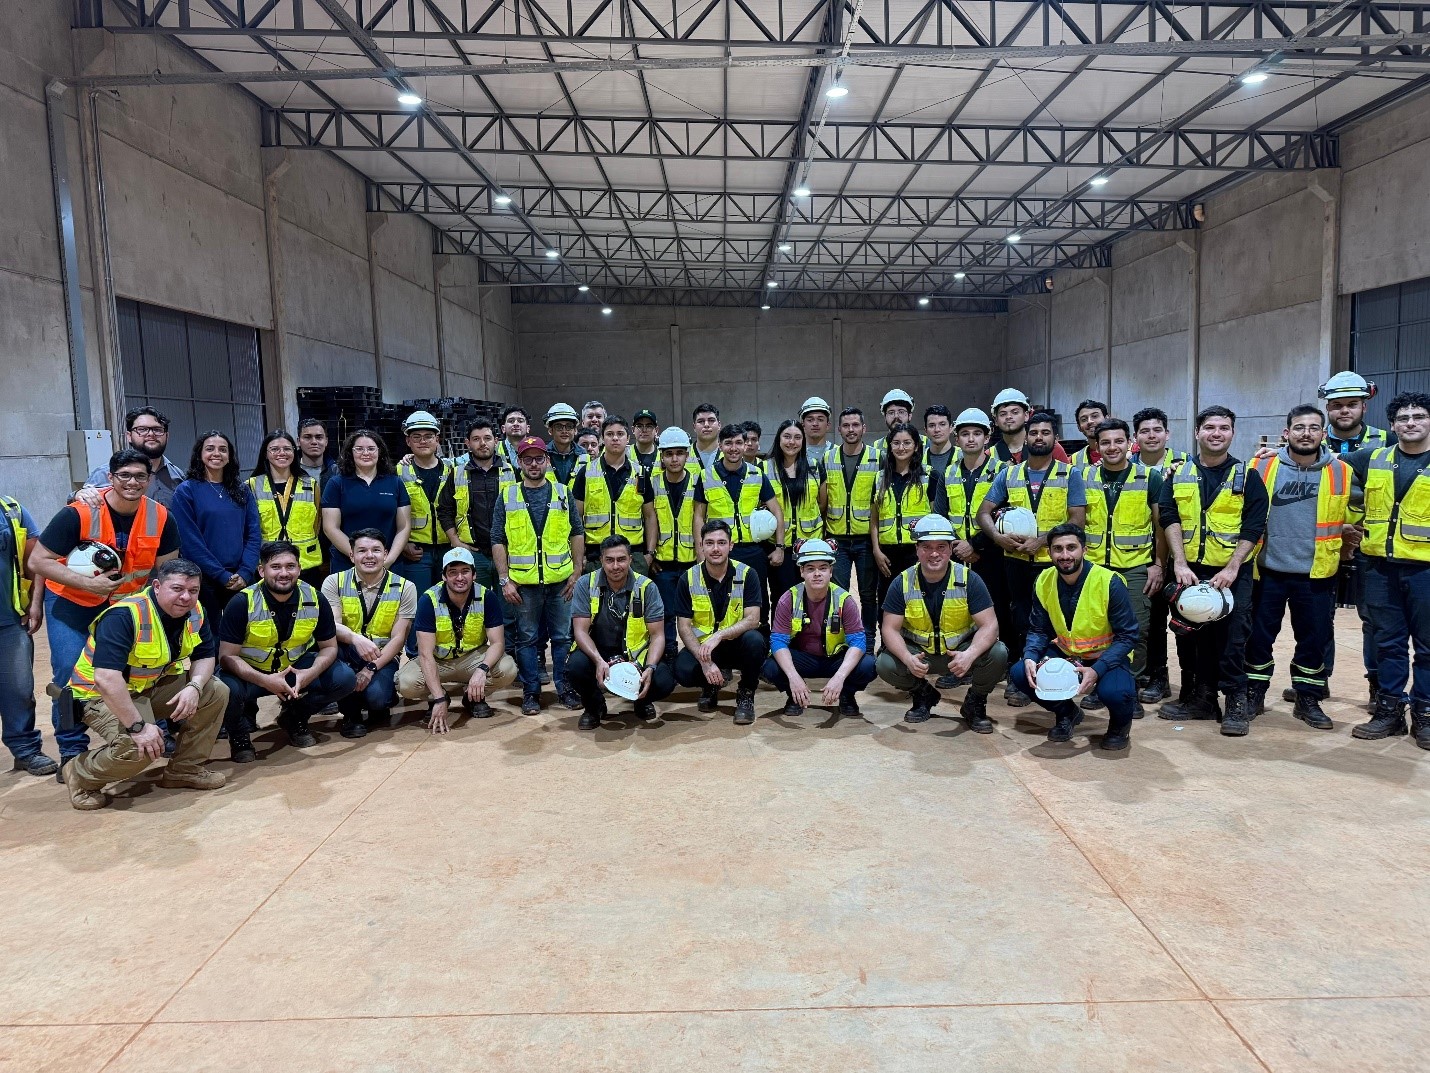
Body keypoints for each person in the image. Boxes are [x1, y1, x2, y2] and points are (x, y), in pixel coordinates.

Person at [30, 448, 180, 774]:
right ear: (110, 477)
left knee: (141, 667)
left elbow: (168, 572)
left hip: (125, 606)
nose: (132, 482)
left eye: (140, 476)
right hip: (71, 601)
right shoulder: (79, 513)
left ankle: (152, 728)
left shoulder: (161, 517)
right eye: (124, 475)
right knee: (70, 673)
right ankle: (71, 750)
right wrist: (88, 584)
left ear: (149, 480)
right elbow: (38, 561)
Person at [60, 559, 229, 810]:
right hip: (97, 694)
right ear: (157, 586)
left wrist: (194, 686)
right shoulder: (125, 615)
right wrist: (138, 727)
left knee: (214, 691)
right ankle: (79, 772)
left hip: (148, 687)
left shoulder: (195, 612)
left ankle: (184, 770)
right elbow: (106, 679)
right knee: (141, 746)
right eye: (177, 589)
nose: (186, 597)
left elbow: (204, 656)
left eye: (193, 590)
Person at [1243, 406, 1354, 733]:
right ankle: (1254, 693)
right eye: (1299, 427)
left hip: (1316, 572)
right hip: (1267, 570)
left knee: (1313, 639)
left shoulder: (1342, 471)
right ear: (1286, 432)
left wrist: (1350, 536)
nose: (1306, 433)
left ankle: (1307, 697)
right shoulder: (1260, 466)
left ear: (1323, 433)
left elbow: (1356, 512)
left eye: (1314, 427)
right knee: (1258, 637)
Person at [1158, 405, 1267, 732]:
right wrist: (1179, 562)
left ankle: (1235, 701)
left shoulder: (1248, 476)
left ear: (1232, 433)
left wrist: (1233, 567)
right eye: (1209, 427)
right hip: (1190, 571)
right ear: (1197, 432)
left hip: (1233, 573)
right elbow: (1169, 517)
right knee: (1193, 638)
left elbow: (1254, 525)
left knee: (1232, 639)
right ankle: (1203, 700)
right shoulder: (1179, 473)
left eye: (1223, 428)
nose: (1216, 433)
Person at [977, 411, 1086, 706]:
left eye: (1045, 432)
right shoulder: (1009, 474)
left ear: (1055, 438)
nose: (1039, 437)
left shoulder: (1070, 474)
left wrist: (1042, 541)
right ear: (1026, 437)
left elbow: (1077, 520)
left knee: (1055, 621)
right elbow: (983, 513)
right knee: (1020, 619)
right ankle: (1021, 676)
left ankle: (1057, 675)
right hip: (1016, 562)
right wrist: (997, 537)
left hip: (1055, 564)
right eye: (1034, 433)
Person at [1340, 391, 1430, 748]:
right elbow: (1327, 462)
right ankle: (1389, 712)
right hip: (1379, 569)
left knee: (1427, 647)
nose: (1411, 423)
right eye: (1403, 418)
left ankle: (1424, 715)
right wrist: (1277, 454)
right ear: (1392, 426)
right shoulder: (1374, 457)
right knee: (1388, 644)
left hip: (1425, 572)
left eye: (1419, 417)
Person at [217, 540, 355, 759]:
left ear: (299, 569)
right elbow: (226, 657)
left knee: (344, 678)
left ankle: (295, 716)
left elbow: (329, 647)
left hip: (294, 671)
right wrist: (266, 681)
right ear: (261, 570)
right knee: (223, 689)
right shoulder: (242, 602)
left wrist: (309, 674)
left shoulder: (315, 598)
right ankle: (239, 735)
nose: (284, 573)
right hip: (252, 675)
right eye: (275, 567)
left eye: (290, 566)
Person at [1010, 525, 1140, 750]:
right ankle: (1067, 713)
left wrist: (1097, 670)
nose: (1065, 555)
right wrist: (1030, 655)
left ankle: (1119, 726)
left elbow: (1128, 636)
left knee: (1116, 693)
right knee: (1021, 672)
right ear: (1049, 552)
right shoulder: (1043, 580)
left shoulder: (1109, 582)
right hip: (1067, 653)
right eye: (1058, 549)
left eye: (1071, 548)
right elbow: (1039, 629)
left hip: (1106, 656)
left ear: (1084, 550)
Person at [876, 514, 1009, 729]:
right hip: (921, 654)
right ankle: (923, 694)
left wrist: (970, 654)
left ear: (950, 549)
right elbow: (889, 629)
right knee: (884, 664)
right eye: (926, 547)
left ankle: (975, 702)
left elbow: (990, 625)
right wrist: (908, 659)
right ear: (917, 549)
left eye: (941, 547)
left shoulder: (970, 579)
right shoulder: (902, 582)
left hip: (959, 653)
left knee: (998, 653)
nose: (934, 553)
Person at [1310, 371, 1394, 708]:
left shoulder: (1388, 441)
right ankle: (1315, 680)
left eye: (1352, 404)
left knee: (1374, 618)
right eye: (1337, 405)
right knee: (1319, 614)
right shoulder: (1310, 440)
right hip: (1324, 541)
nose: (1344, 410)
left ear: (1364, 405)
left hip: (1370, 544)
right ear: (1327, 408)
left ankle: (1378, 686)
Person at [492, 436, 585, 715]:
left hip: (561, 583)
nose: (534, 464)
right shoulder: (507, 495)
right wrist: (505, 579)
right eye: (528, 459)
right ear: (519, 463)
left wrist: (577, 571)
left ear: (547, 461)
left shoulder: (562, 493)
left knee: (563, 638)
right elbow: (498, 539)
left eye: (539, 458)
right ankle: (531, 692)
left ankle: (564, 688)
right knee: (527, 640)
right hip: (524, 585)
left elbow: (576, 532)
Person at [1080, 418, 1166, 714]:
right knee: (1099, 630)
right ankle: (1098, 684)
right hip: (1095, 568)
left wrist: (1158, 564)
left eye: (1118, 441)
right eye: (1105, 442)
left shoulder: (1149, 478)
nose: (1112, 447)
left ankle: (1129, 689)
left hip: (1135, 568)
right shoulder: (1084, 477)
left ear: (1130, 443)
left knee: (1136, 631)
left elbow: (1160, 526)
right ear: (1097, 446)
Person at [395, 547, 518, 731]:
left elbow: (498, 643)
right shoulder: (428, 600)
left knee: (508, 669)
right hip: (438, 660)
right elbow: (425, 654)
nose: (459, 577)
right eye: (453, 572)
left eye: (465, 571)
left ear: (474, 574)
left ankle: (473, 697)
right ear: (444, 576)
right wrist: (439, 697)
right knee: (406, 683)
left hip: (473, 659)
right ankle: (439, 696)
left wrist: (482, 670)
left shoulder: (487, 597)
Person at [568, 535, 675, 729]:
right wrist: (598, 661)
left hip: (635, 654)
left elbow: (658, 635)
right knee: (575, 666)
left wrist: (650, 667)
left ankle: (641, 700)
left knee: (664, 680)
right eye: (609, 560)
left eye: (621, 559)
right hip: (599, 653)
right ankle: (594, 706)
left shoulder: (647, 587)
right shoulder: (585, 584)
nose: (615, 566)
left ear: (631, 560)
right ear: (601, 560)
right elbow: (580, 631)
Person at [762, 538, 876, 717]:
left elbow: (858, 641)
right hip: (802, 659)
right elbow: (778, 640)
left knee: (869, 665)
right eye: (810, 568)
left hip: (835, 659)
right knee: (770, 667)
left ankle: (847, 694)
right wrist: (793, 677)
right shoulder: (788, 598)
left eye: (823, 568)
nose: (817, 574)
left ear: (831, 571)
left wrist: (840, 677)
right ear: (801, 571)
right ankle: (795, 695)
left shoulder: (844, 600)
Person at [938, 407, 1009, 689]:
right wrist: (957, 546)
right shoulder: (948, 473)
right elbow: (941, 515)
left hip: (991, 553)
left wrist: (975, 544)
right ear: (956, 439)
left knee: (994, 608)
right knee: (959, 610)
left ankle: (997, 664)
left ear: (987, 437)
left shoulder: (1001, 471)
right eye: (965, 434)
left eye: (976, 433)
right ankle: (962, 664)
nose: (970, 439)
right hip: (956, 553)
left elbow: (1003, 515)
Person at [322, 528, 417, 737]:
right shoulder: (334, 582)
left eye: (376, 550)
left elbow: (399, 638)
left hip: (383, 655)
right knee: (341, 672)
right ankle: (351, 714)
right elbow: (332, 626)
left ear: (386, 554)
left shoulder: (406, 587)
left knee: (377, 698)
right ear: (351, 555)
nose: (369, 556)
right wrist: (356, 639)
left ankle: (382, 699)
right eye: (362, 550)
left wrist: (371, 668)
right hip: (346, 652)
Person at [674, 521, 767, 724]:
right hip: (705, 649)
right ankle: (710, 685)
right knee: (682, 670)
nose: (715, 548)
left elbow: (753, 619)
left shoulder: (747, 574)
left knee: (755, 640)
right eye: (709, 543)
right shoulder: (687, 578)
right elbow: (683, 626)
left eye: (721, 542)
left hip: (737, 645)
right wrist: (705, 663)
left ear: (731, 545)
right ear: (701, 546)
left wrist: (720, 635)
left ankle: (746, 693)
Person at [1130, 407, 1190, 704]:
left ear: (1167, 433)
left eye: (1157, 430)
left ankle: (1191, 683)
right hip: (1146, 558)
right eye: (1145, 431)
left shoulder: (1187, 465)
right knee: (1151, 621)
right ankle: (1157, 675)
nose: (1151, 436)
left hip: (1182, 556)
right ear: (1136, 437)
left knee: (1183, 621)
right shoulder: (1127, 467)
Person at [170, 431, 261, 626]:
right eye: (210, 449)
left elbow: (253, 533)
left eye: (223, 449)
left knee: (243, 632)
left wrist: (246, 571)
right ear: (200, 454)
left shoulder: (242, 490)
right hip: (204, 579)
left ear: (229, 456)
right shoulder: (186, 490)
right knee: (210, 634)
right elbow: (189, 541)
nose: (216, 453)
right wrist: (221, 575)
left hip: (241, 577)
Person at [694, 423, 784, 614]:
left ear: (745, 445)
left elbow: (777, 511)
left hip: (753, 550)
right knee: (723, 602)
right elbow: (698, 517)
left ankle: (760, 633)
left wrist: (779, 547)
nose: (733, 448)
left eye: (738, 443)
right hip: (722, 551)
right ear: (720, 445)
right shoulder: (706, 476)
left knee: (758, 602)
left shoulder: (757, 474)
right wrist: (701, 552)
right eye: (728, 443)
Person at [0, 493, 56, 776]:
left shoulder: (11, 510)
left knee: (18, 690)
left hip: (9, 619)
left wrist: (35, 603)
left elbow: (35, 559)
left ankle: (25, 750)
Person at [644, 427, 702, 667]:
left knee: (696, 613)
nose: (674, 459)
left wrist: (702, 559)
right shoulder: (652, 483)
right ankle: (668, 654)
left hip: (692, 562)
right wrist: (650, 554)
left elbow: (702, 520)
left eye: (679, 453)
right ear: (661, 456)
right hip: (663, 563)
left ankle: (699, 655)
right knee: (665, 613)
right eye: (669, 454)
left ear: (687, 454)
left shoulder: (699, 481)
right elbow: (649, 520)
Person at [871, 422, 938, 620]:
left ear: (916, 446)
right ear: (890, 446)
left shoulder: (929, 476)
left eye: (907, 442)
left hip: (917, 551)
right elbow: (874, 518)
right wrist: (876, 550)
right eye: (896, 443)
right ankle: (887, 638)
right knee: (887, 603)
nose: (901, 448)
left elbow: (936, 517)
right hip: (887, 553)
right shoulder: (880, 477)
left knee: (917, 602)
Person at [321, 429, 412, 573]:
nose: (365, 453)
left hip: (388, 564)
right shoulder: (336, 484)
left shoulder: (395, 482)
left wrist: (388, 560)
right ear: (350, 452)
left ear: (379, 451)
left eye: (371, 448)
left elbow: (404, 527)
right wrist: (359, 556)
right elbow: (330, 528)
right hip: (348, 562)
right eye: (359, 449)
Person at [825, 406, 881, 628]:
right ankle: (841, 636)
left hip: (866, 539)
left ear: (864, 428)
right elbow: (823, 500)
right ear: (839, 429)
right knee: (838, 593)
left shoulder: (878, 458)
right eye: (846, 425)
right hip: (836, 538)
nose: (851, 429)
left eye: (855, 425)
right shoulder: (828, 458)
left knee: (868, 594)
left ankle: (868, 638)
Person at [573, 416, 651, 572]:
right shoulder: (586, 472)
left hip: (634, 556)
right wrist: (579, 557)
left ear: (628, 438)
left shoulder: (640, 473)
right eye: (609, 434)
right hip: (595, 556)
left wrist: (649, 554)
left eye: (620, 434)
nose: (615, 438)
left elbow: (650, 516)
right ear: (602, 438)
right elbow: (576, 518)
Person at [248, 430, 325, 588]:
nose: (281, 453)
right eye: (275, 449)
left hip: (305, 564)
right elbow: (247, 528)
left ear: (294, 452)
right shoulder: (252, 485)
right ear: (265, 453)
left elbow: (317, 523)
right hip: (268, 565)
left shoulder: (310, 484)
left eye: (287, 449)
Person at [438, 418, 505, 589]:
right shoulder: (456, 474)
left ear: (496, 441)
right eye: (476, 439)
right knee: (476, 601)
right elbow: (444, 510)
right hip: (473, 553)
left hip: (508, 552)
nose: (482, 443)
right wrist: (455, 540)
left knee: (508, 603)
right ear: (467, 443)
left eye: (487, 438)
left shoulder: (512, 472)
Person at [763, 420, 824, 603]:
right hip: (779, 546)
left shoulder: (814, 466)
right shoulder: (764, 468)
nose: (792, 442)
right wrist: (779, 547)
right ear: (779, 439)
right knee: (782, 598)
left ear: (803, 441)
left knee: (811, 597)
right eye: (787, 437)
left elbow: (822, 503)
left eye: (797, 437)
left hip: (810, 545)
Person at [394, 410, 452, 595]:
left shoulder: (454, 470)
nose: (423, 441)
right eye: (416, 437)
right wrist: (403, 545)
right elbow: (390, 513)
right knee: (419, 602)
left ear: (437, 440)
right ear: (408, 441)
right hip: (416, 552)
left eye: (428, 436)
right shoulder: (398, 473)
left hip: (449, 548)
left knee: (449, 599)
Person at [83, 406, 185, 506]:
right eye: (142, 429)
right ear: (129, 436)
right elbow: (82, 502)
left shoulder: (178, 476)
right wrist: (79, 494)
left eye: (157, 429)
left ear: (167, 436)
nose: (151, 434)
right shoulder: (106, 473)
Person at [990, 388, 1071, 464]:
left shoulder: (1050, 447)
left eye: (1015, 412)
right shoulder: (990, 455)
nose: (1009, 417)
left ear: (1026, 415)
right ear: (996, 420)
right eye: (1003, 414)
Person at [544, 403, 584, 486]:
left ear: (575, 430)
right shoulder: (542, 455)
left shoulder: (585, 456)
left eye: (569, 426)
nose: (564, 431)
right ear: (550, 430)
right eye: (559, 427)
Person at [297, 418, 340, 491]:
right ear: (298, 442)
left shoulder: (338, 472)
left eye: (319, 437)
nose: (314, 442)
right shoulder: (289, 471)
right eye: (307, 437)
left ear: (326, 441)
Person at [922, 405, 957, 484]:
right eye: (932, 425)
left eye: (942, 424)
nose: (937, 430)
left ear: (951, 428)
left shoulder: (963, 457)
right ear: (925, 431)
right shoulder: (917, 460)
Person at [1069, 399, 1109, 467]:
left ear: (1107, 419)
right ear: (1079, 427)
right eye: (1084, 419)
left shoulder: (1126, 452)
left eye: (1095, 416)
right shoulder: (1073, 460)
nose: (1090, 421)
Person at [799, 397, 833, 464]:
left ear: (828, 425)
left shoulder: (839, 452)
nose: (815, 424)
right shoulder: (794, 453)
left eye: (820, 420)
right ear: (803, 425)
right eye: (810, 420)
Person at [498, 406, 532, 471]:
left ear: (528, 428)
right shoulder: (494, 449)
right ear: (503, 428)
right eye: (511, 421)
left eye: (520, 421)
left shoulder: (537, 449)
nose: (516, 424)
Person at [691, 402, 722, 468]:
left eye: (711, 420)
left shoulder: (729, 454)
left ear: (719, 425)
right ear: (694, 427)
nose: (706, 425)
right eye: (701, 421)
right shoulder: (684, 454)